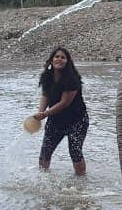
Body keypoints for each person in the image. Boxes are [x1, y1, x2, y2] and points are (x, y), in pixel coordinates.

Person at [34, 47, 89, 175]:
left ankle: (81, 181)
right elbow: (45, 96)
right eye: (57, 57)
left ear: (67, 61)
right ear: (52, 60)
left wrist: (45, 114)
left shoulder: (72, 79)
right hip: (56, 120)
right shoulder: (47, 77)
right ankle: (44, 179)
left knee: (75, 151)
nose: (59, 59)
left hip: (77, 121)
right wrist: (40, 112)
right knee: (45, 153)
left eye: (63, 57)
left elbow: (64, 103)